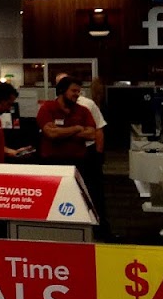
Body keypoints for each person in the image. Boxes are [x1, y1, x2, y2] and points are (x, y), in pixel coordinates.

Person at [38, 76, 112, 238]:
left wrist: (62, 132)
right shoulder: (47, 108)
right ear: (62, 91)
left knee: (84, 199)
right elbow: (51, 134)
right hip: (53, 164)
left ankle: (95, 233)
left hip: (78, 163)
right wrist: (76, 129)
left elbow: (92, 133)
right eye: (73, 91)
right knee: (54, 200)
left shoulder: (83, 110)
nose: (77, 94)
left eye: (78, 91)